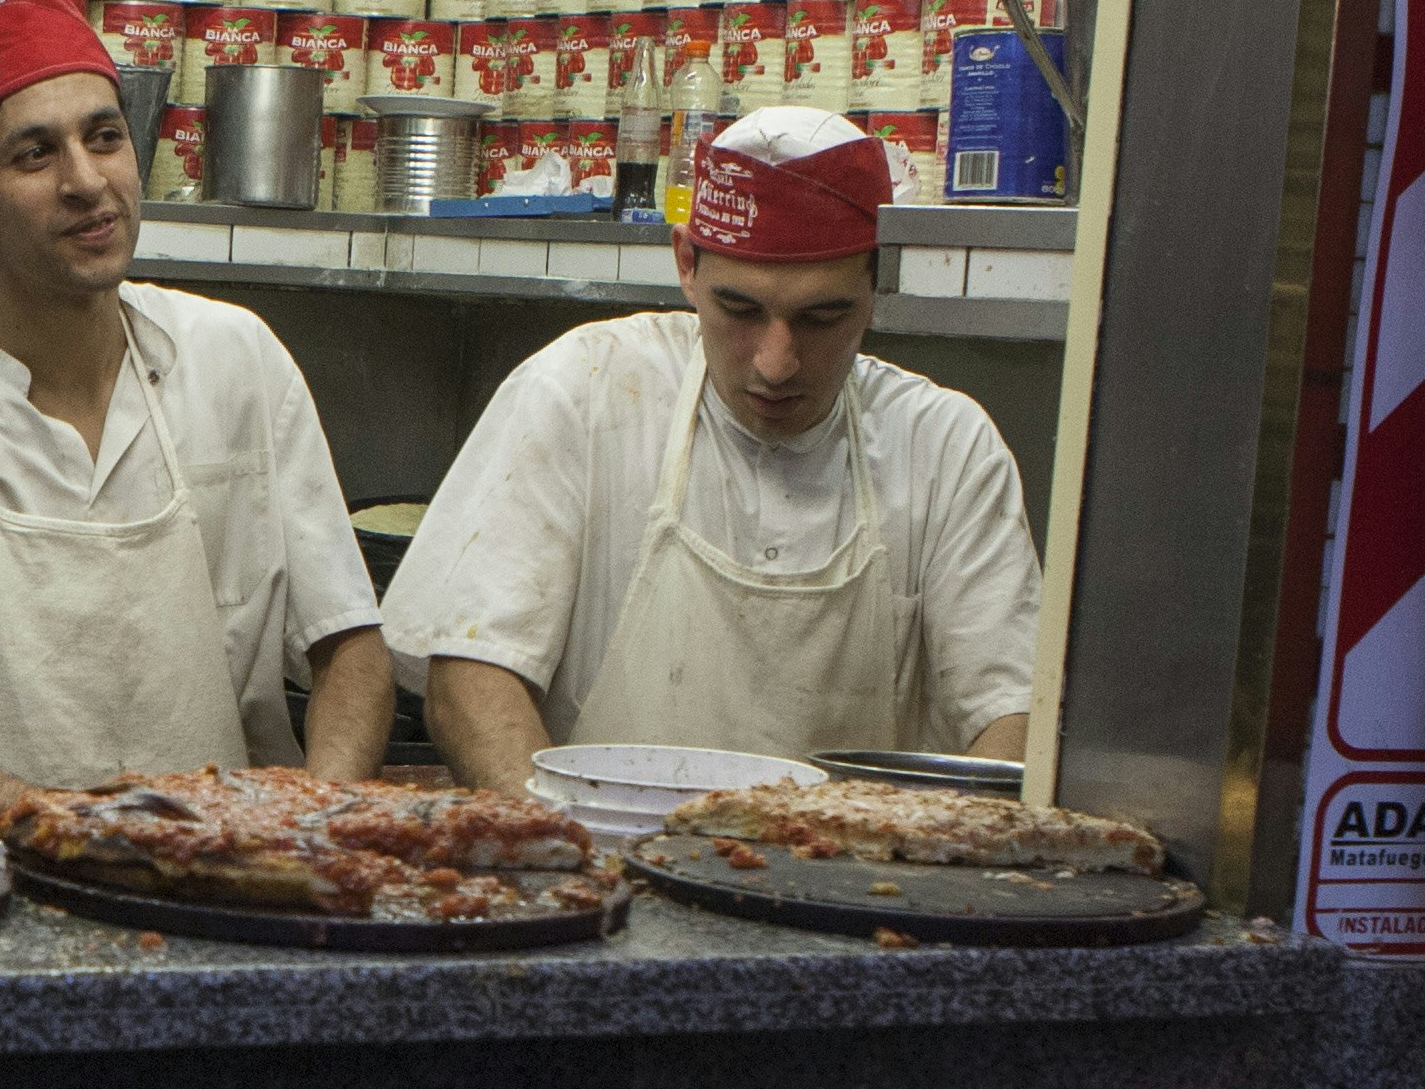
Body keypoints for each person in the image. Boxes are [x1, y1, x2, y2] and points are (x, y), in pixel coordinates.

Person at [0, 0, 390, 835]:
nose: (88, 184)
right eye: (35, 156)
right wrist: (58, 826)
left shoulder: (235, 362)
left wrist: (319, 820)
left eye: (105, 139)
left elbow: (350, 644)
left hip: (214, 900)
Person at [380, 104, 1041, 781]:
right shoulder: (583, 390)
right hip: (600, 853)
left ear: (877, 284)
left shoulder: (946, 449)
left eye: (822, 317)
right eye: (740, 310)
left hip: (853, 878)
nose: (775, 363)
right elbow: (470, 677)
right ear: (686, 264)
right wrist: (569, 853)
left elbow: (1013, 719)